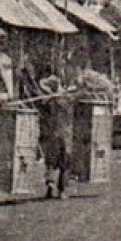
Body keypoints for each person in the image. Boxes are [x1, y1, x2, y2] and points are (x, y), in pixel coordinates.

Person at [36, 71, 75, 199]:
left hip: (52, 135)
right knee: (64, 163)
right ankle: (61, 190)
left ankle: (50, 187)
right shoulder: (65, 100)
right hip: (64, 134)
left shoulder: (48, 102)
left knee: (51, 163)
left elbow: (41, 85)